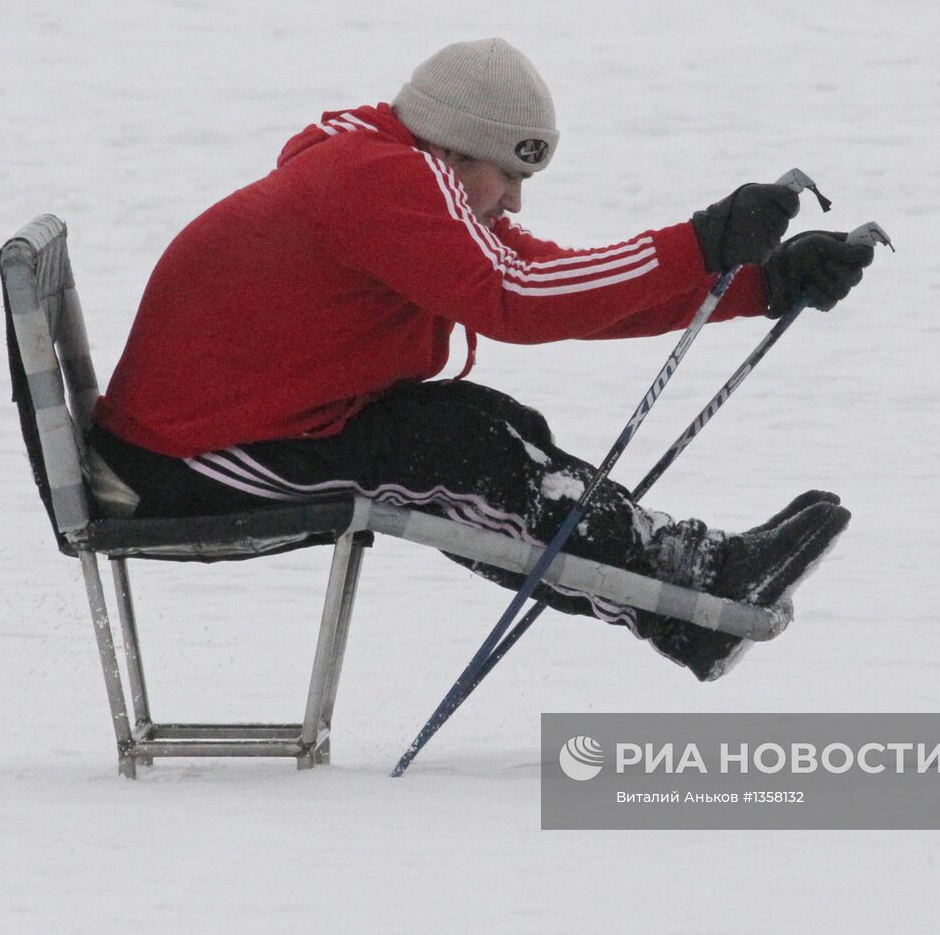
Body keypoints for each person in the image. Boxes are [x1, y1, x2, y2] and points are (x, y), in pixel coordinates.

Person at [87, 37, 876, 681]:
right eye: (512, 173)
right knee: (465, 461)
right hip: (187, 460)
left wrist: (755, 286)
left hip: (232, 432)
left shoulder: (396, 173)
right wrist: (699, 242)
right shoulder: (377, 180)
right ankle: (693, 596)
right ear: (458, 148)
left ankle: (690, 588)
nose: (515, 201)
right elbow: (521, 299)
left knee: (490, 429)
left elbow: (558, 288)